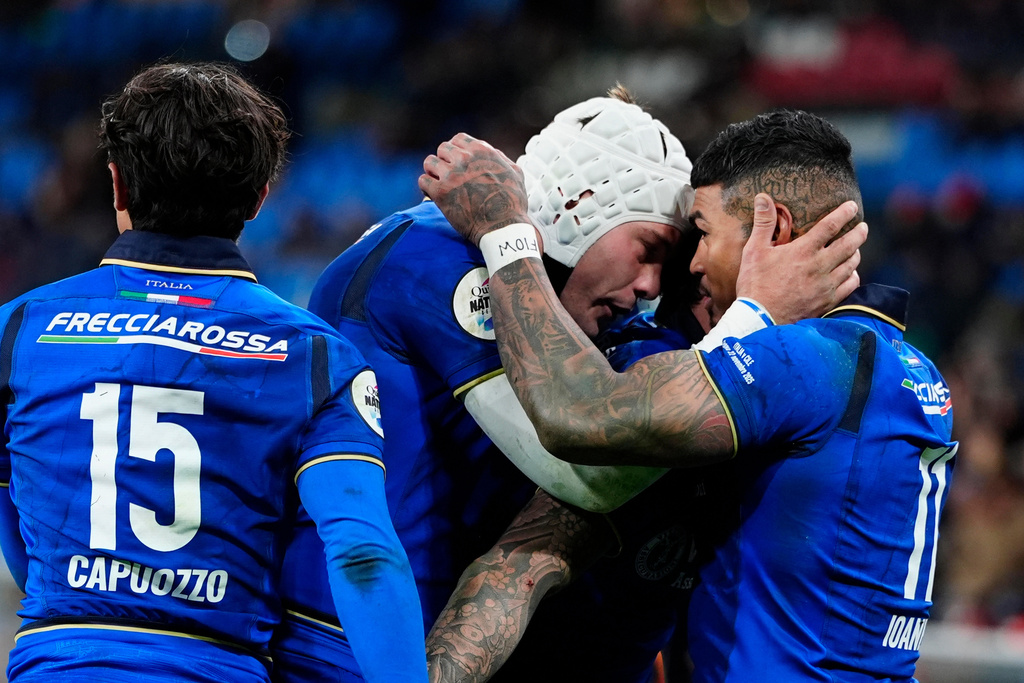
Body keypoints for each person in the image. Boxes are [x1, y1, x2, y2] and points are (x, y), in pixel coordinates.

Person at [281, 88, 863, 682]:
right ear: (583, 205)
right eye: (648, 250)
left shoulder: (558, 306)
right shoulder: (440, 255)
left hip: (414, 632)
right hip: (349, 636)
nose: (650, 287)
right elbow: (591, 471)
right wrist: (754, 321)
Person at [420, 109, 957, 681]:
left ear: (770, 229)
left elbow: (579, 413)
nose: (692, 265)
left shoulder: (798, 364)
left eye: (701, 233)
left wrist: (505, 233)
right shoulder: (908, 370)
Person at [0, 62, 425, 683]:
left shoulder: (17, 330)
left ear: (115, 185)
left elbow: (16, 518)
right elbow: (363, 554)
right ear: (259, 199)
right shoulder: (314, 356)